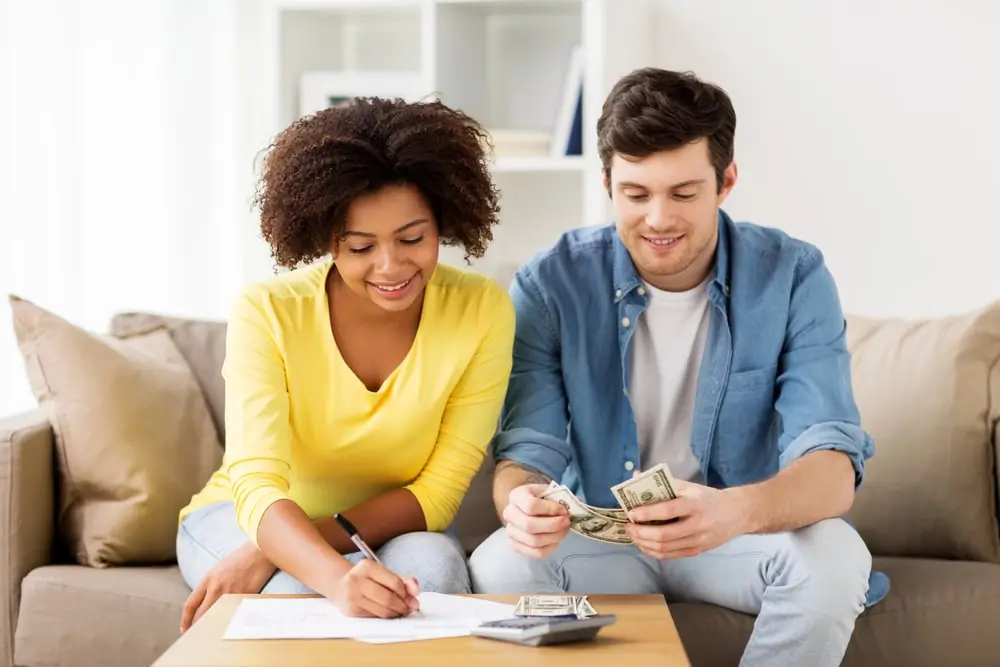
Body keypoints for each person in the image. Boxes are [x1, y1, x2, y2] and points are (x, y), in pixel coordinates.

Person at [467, 68, 889, 667]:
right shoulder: (550, 282)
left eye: (684, 193)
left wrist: (733, 511)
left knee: (839, 556)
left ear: (726, 181)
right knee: (496, 560)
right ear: (608, 182)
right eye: (636, 194)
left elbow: (831, 466)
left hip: (737, 536)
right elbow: (526, 452)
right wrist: (522, 504)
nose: (659, 219)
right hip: (606, 542)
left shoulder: (793, 276)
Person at [176, 96, 515, 632]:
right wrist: (326, 572)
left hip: (395, 524)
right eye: (360, 248)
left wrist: (293, 549)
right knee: (294, 595)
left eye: (413, 238)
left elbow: (439, 491)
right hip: (250, 518)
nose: (391, 266)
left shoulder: (482, 309)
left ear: (443, 221)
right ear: (324, 238)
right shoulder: (267, 311)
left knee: (437, 577)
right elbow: (257, 483)